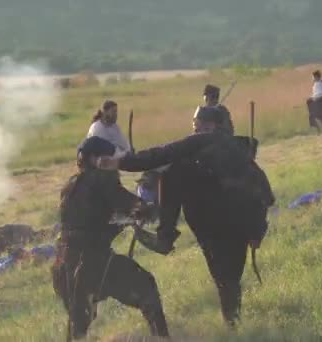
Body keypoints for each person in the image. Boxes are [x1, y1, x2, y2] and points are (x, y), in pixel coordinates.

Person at [96, 106, 274, 327]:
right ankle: (233, 324)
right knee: (229, 280)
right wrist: (257, 231)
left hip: (213, 223)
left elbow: (158, 155)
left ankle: (165, 236)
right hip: (243, 225)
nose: (193, 130)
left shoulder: (199, 141)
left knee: (172, 171)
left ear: (209, 126)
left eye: (195, 125)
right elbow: (266, 194)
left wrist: (119, 162)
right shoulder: (241, 148)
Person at [51, 136, 169, 340]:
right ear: (96, 159)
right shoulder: (101, 178)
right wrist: (147, 208)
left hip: (63, 265)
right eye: (110, 158)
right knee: (146, 286)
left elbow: (88, 218)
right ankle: (163, 339)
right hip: (91, 263)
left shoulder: (70, 185)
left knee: (79, 326)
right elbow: (126, 202)